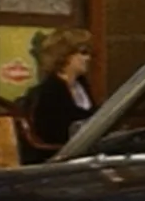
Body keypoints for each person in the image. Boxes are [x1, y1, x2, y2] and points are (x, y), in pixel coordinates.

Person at [24, 27, 94, 161]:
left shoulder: (82, 86)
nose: (88, 58)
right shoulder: (49, 91)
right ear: (65, 55)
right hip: (58, 159)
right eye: (83, 53)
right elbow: (51, 134)